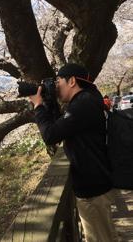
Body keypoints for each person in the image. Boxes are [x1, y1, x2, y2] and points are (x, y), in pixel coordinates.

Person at [29, 63, 118, 242]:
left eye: (59, 80)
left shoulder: (82, 104)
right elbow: (61, 128)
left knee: (100, 238)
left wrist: (38, 106)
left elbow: (51, 135)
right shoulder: (87, 99)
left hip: (93, 189)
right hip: (96, 183)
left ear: (71, 81)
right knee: (104, 235)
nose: (56, 86)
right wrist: (50, 103)